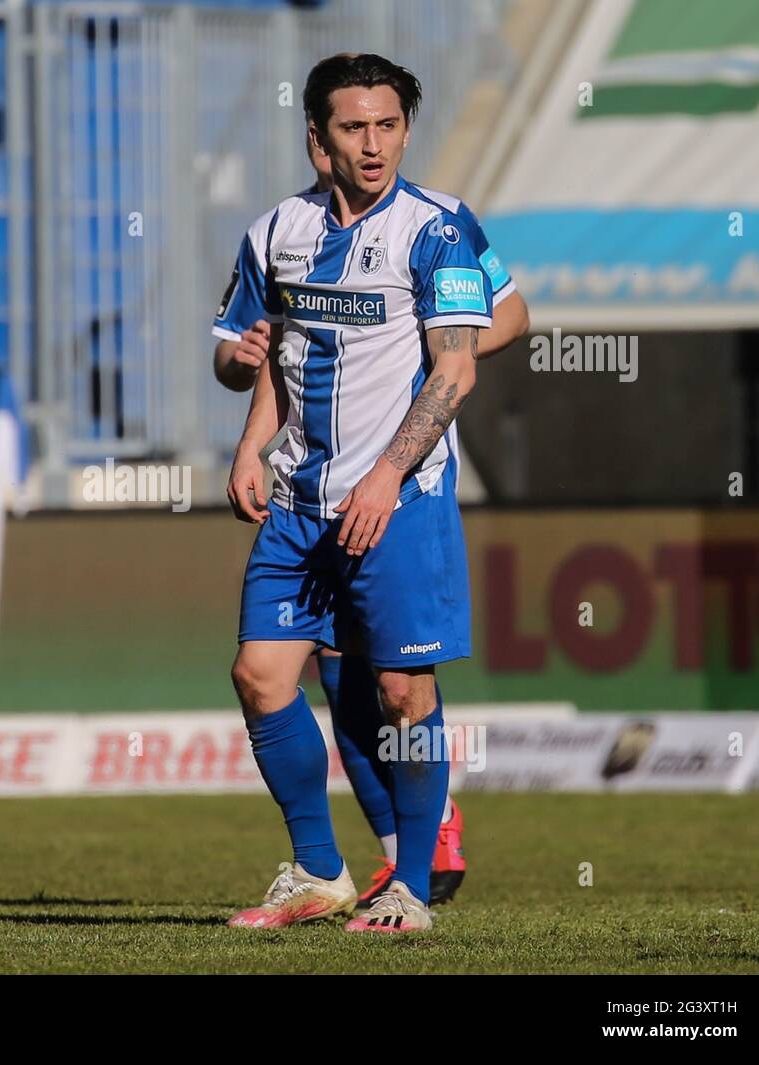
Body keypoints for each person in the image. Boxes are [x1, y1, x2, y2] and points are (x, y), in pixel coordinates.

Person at [211, 92, 527, 910]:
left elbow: (491, 334)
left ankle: (413, 877)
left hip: (399, 495)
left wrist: (391, 456)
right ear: (318, 141)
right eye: (355, 128)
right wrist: (249, 431)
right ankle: (323, 868)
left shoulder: (438, 226)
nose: (375, 143)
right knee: (266, 673)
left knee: (396, 691)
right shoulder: (277, 232)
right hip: (300, 502)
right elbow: (256, 355)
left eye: (389, 125)